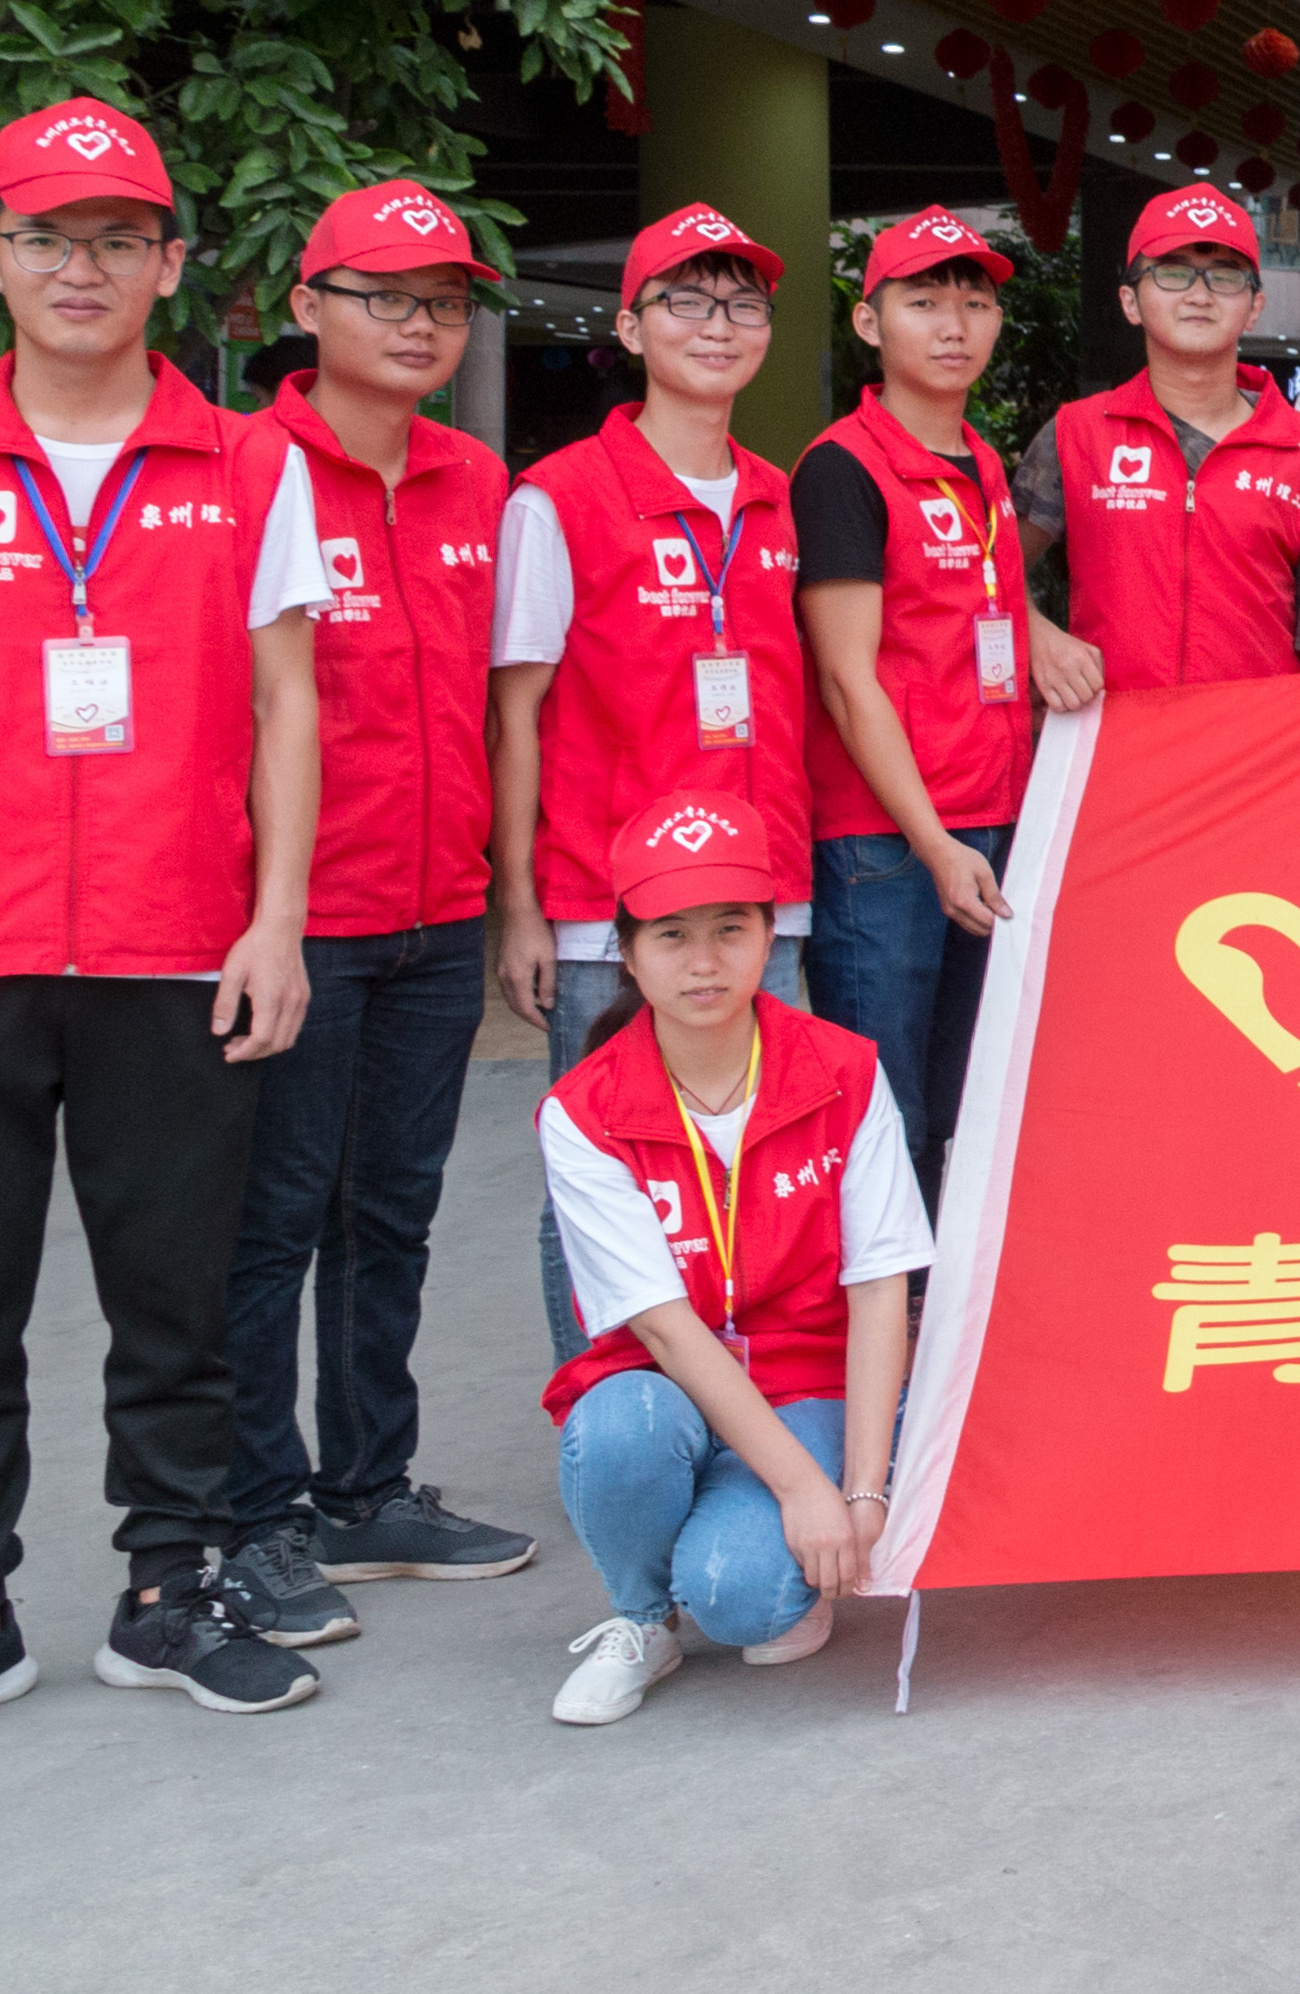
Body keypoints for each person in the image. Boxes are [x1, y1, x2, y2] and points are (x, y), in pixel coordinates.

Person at [0, 97, 336, 1766]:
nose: (79, 266)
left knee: (176, 1303)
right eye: (44, 235)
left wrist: (277, 922)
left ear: (171, 263)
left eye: (116, 236)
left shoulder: (253, 465)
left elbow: (289, 708)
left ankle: (170, 1590)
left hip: (177, 948)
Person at [212, 181, 536, 1656]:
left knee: (391, 1211)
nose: (420, 324)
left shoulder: (478, 481)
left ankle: (366, 1487)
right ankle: (252, 1514)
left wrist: (501, 896)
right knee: (271, 1221)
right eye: (386, 296)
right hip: (295, 919)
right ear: (307, 304)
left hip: (435, 910)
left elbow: (500, 703)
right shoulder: (242, 473)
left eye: (445, 303)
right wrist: (258, 917)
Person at [493, 204, 819, 1368]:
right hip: (610, 911)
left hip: (767, 898)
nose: (717, 326)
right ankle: (603, 1411)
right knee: (606, 1178)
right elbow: (516, 712)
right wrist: (521, 906)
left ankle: (751, 1407)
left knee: (763, 1169)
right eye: (686, 301)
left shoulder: (780, 497)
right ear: (631, 328)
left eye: (741, 304)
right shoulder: (557, 499)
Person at [534, 791, 930, 1726]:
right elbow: (666, 1331)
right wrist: (799, 1491)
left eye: (730, 928)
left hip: (808, 1384)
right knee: (621, 1429)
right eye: (671, 934)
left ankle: (746, 1542)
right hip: (660, 1386)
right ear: (626, 950)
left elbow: (880, 1288)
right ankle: (641, 1617)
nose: (704, 961)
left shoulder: (844, 1070)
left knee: (742, 1599)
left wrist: (860, 1488)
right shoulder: (582, 1112)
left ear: (768, 935)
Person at [798, 204, 1079, 1204]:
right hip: (889, 846)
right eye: (923, 302)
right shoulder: (842, 468)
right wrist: (931, 842)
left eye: (974, 302)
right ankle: (890, 1307)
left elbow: (976, 605)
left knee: (965, 1104)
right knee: (888, 1119)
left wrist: (1041, 632)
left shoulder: (981, 460)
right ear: (869, 322)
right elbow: (847, 677)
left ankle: (942, 1302)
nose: (954, 324)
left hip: (987, 820)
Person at [1014, 180, 1300, 686]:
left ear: (1254, 306)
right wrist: (1036, 634)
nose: (1199, 295)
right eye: (1172, 274)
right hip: (1117, 725)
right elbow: (991, 570)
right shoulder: (1075, 435)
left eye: (1225, 276)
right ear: (1130, 302)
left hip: (1260, 731)